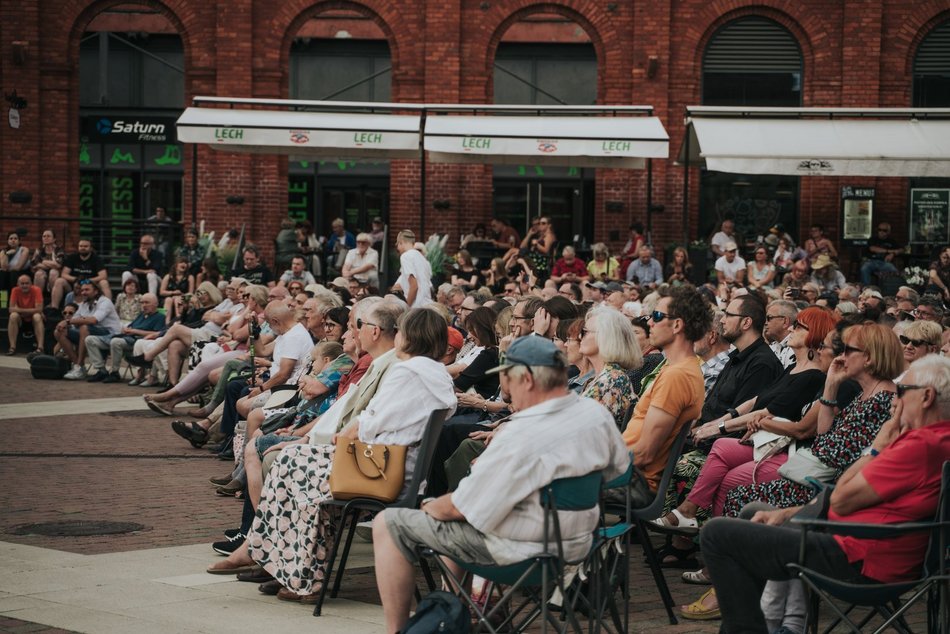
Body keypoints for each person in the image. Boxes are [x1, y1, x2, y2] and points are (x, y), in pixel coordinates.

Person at [372, 335, 630, 633]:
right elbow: (618, 471)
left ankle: (400, 629)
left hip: (521, 552)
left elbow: (461, 508)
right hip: (579, 546)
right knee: (469, 519)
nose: (505, 391)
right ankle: (474, 608)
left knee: (389, 523)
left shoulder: (521, 433)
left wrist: (431, 506)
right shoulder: (595, 414)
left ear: (528, 380)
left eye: (507, 379)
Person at [702, 354, 950, 634]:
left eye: (903, 390)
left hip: (860, 560)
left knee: (716, 534)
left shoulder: (919, 445)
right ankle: (774, 622)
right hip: (868, 545)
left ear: (927, 396)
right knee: (752, 513)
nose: (896, 398)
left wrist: (877, 446)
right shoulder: (937, 438)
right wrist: (790, 513)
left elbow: (843, 500)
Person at [622, 286, 712, 491]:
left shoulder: (677, 376)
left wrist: (595, 467)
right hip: (627, 474)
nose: (650, 322)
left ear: (677, 325)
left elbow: (645, 453)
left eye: (656, 316)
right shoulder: (678, 369)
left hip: (633, 481)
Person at [85, 293, 164, 383]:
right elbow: (130, 327)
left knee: (116, 342)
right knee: (90, 339)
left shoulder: (160, 317)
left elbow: (157, 334)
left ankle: (114, 372)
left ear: (156, 304)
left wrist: (134, 331)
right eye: (142, 303)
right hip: (123, 337)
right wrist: (125, 329)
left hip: (137, 341)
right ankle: (101, 370)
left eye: (147, 303)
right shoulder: (142, 315)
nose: (144, 305)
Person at [54, 279, 123, 379]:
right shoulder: (84, 304)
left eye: (87, 290)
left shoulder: (105, 302)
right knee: (59, 331)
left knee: (84, 327)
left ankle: (78, 366)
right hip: (90, 333)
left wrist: (68, 321)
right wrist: (64, 323)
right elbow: (74, 320)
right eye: (82, 290)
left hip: (110, 334)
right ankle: (79, 367)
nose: (83, 293)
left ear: (96, 291)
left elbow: (93, 320)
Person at [52, 238, 111, 308]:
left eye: (85, 246)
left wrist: (87, 281)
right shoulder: (72, 257)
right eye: (81, 246)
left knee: (104, 282)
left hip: (91, 286)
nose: (83, 248)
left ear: (91, 248)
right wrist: (76, 280)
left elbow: (103, 276)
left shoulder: (97, 259)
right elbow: (64, 274)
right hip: (74, 285)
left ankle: (109, 308)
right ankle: (54, 308)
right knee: (59, 281)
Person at [6, 274, 44, 355]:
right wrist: (33, 310)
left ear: (31, 284)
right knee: (13, 316)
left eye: (27, 283)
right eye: (22, 283)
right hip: (21, 319)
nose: (24, 285)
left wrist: (19, 310)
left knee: (37, 316)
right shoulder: (15, 290)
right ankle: (12, 347)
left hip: (33, 319)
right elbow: (11, 309)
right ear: (18, 284)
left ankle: (40, 347)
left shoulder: (37, 290)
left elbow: (39, 309)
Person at [395, 230, 432, 308]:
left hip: (416, 306)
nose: (397, 248)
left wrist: (406, 307)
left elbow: (414, 286)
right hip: (427, 304)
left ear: (401, 242)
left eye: (397, 244)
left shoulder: (405, 256)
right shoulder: (422, 258)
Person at [860, 221, 902, 286]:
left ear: (888, 232)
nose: (881, 232)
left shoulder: (892, 241)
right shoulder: (873, 239)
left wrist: (893, 254)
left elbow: (901, 250)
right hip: (871, 261)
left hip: (884, 263)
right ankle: (866, 289)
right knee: (864, 268)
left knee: (894, 271)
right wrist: (890, 251)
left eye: (884, 230)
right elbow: (873, 249)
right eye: (879, 230)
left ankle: (893, 290)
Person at [159, 257, 194, 325]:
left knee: (177, 299)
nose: (184, 264)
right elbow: (161, 292)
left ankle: (179, 318)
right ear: (176, 265)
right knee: (169, 300)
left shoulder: (190, 277)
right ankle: (166, 323)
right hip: (168, 298)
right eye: (181, 262)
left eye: (185, 263)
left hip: (183, 298)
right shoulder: (168, 276)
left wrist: (181, 296)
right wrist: (173, 293)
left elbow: (190, 293)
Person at [764, 299, 798, 369]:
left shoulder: (797, 349)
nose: (765, 323)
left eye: (769, 318)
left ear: (785, 321)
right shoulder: (771, 347)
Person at [29, 228, 64, 296]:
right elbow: (34, 264)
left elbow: (59, 265)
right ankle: (38, 299)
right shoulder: (39, 250)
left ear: (54, 239)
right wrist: (51, 264)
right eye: (44, 236)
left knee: (53, 272)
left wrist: (43, 261)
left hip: (57, 274)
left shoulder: (59, 250)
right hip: (42, 273)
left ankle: (53, 298)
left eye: (48, 236)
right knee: (39, 274)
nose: (45, 238)